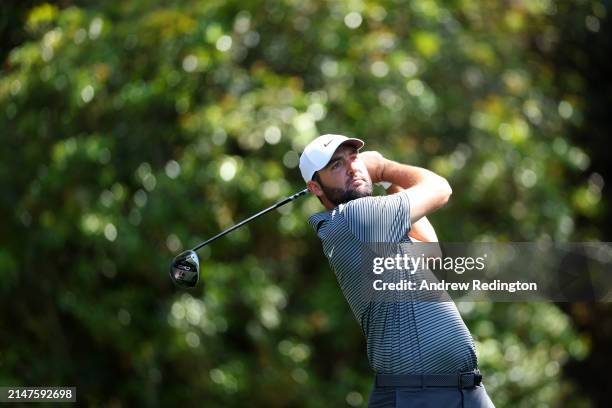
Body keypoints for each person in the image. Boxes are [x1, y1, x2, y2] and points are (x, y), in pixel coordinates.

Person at [299, 134, 495, 408]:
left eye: (354, 158)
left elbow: (431, 250)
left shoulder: (370, 226)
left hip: (460, 391)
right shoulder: (356, 217)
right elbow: (440, 188)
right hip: (420, 395)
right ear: (315, 188)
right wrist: (382, 167)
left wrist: (389, 183)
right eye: (336, 166)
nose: (353, 168)